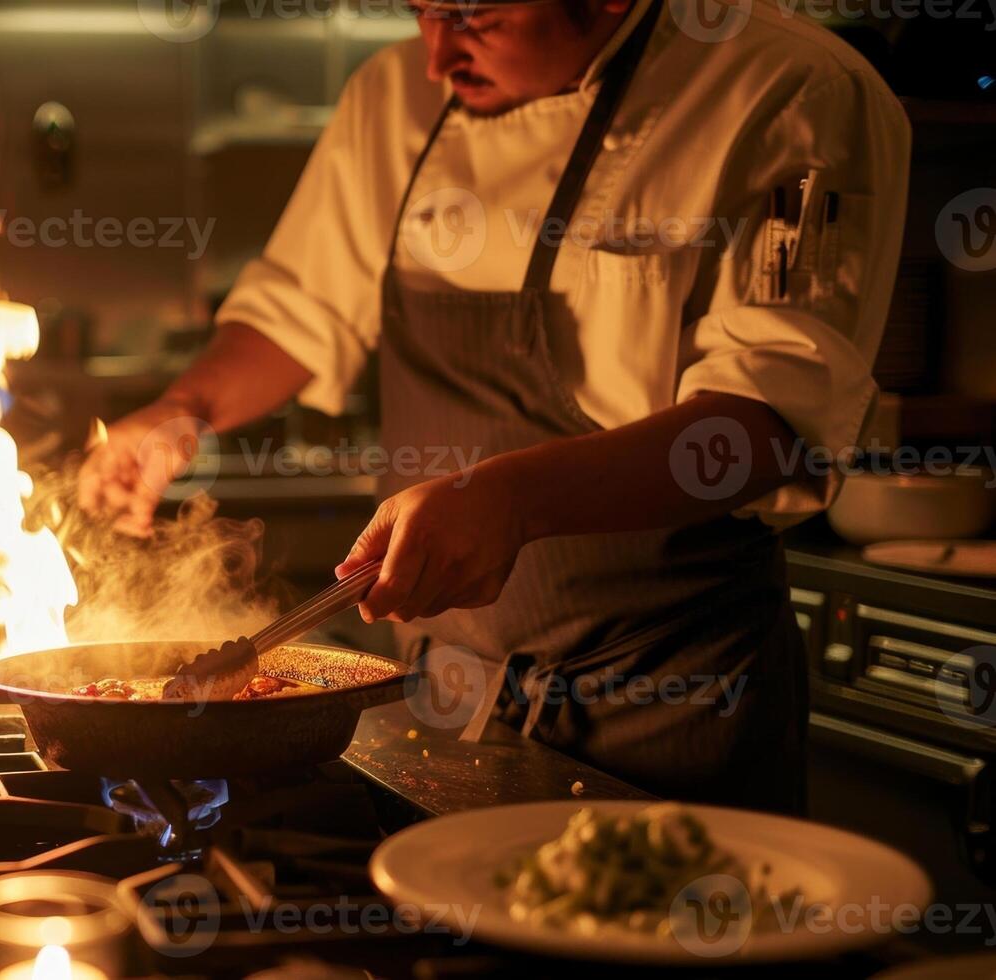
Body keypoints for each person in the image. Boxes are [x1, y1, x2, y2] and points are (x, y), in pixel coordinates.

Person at [78, 0, 909, 811]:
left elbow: (764, 426)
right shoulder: (395, 93)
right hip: (444, 703)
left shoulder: (789, 86)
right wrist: (181, 407)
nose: (436, 56)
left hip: (674, 702)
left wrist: (511, 500)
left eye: (473, 19)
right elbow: (299, 311)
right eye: (421, 12)